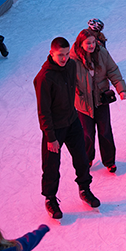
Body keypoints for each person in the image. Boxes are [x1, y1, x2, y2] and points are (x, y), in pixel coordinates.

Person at [34, 38, 98, 220]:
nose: (63, 58)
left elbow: (73, 87)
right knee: (51, 165)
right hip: (54, 129)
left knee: (82, 158)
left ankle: (85, 189)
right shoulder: (44, 78)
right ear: (51, 54)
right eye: (60, 55)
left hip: (72, 121)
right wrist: (51, 137)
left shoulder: (71, 66)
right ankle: (50, 199)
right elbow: (43, 111)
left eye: (66, 54)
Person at [70, 28, 126, 174]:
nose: (91, 45)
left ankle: (109, 161)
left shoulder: (102, 53)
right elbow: (67, 81)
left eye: (93, 42)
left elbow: (112, 70)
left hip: (101, 99)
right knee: (87, 133)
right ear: (80, 44)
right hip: (83, 103)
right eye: (88, 43)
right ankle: (87, 158)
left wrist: (121, 89)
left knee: (105, 131)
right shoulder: (73, 59)